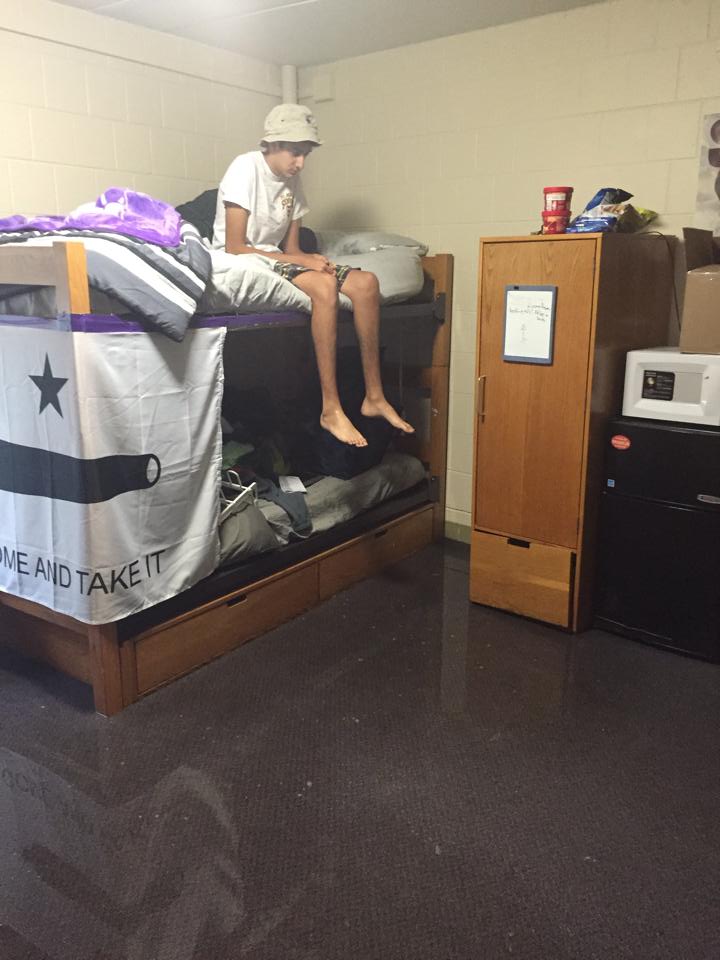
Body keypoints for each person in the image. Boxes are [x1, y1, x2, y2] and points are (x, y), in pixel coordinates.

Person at [212, 103, 413, 448]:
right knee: (323, 287)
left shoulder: (292, 180)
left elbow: (290, 246)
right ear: (272, 144)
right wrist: (302, 263)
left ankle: (374, 397)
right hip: (244, 258)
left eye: (305, 154)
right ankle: (330, 408)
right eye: (295, 152)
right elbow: (233, 246)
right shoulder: (245, 168)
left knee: (366, 284)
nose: (300, 162)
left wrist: (310, 258)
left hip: (275, 256)